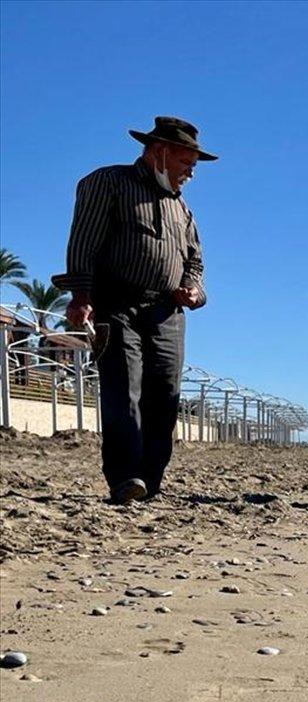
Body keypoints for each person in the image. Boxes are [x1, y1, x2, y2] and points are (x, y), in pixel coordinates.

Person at [53, 116, 217, 504]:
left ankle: (150, 478)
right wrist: (81, 296)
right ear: (159, 152)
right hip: (116, 304)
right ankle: (125, 477)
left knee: (166, 394)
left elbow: (195, 263)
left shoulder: (184, 212)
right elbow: (83, 242)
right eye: (185, 164)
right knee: (123, 389)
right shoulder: (107, 183)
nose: (189, 175)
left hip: (167, 312)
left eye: (193, 168)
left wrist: (194, 290)